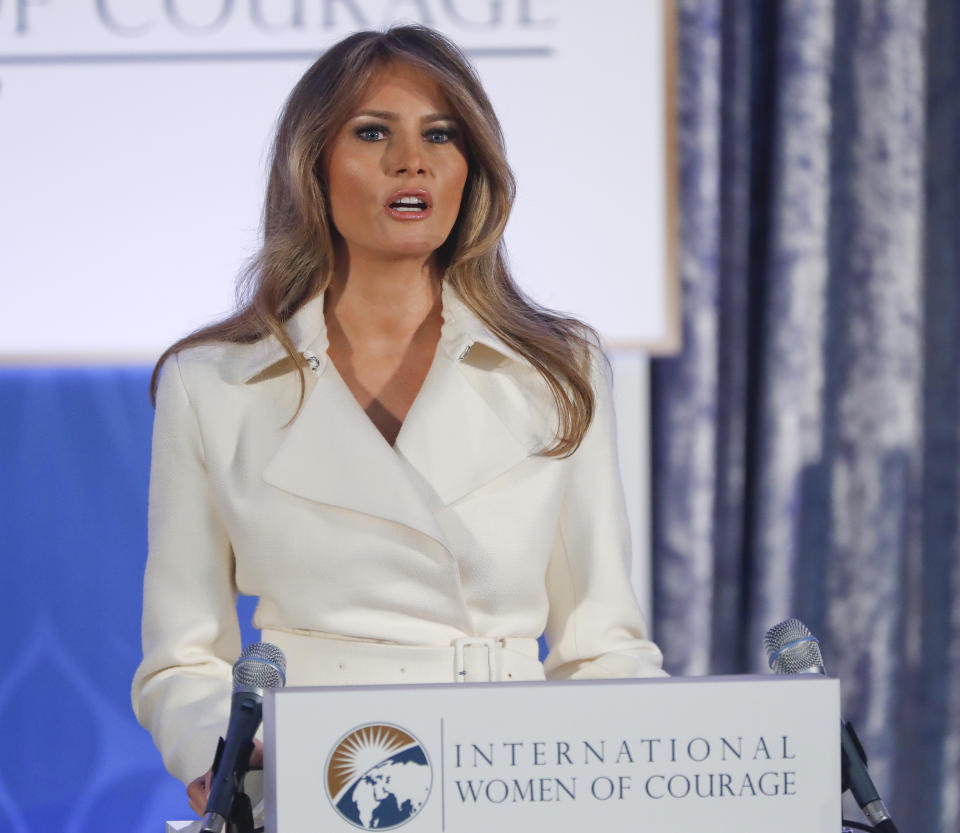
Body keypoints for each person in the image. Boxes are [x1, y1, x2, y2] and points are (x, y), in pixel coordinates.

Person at [131, 24, 665, 816]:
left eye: (439, 135)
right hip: (319, 777)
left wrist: (647, 780)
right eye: (372, 131)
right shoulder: (212, 383)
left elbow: (601, 646)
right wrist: (228, 744)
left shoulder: (559, 369)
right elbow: (183, 657)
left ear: (469, 169)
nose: (410, 161)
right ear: (312, 164)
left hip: (512, 778)